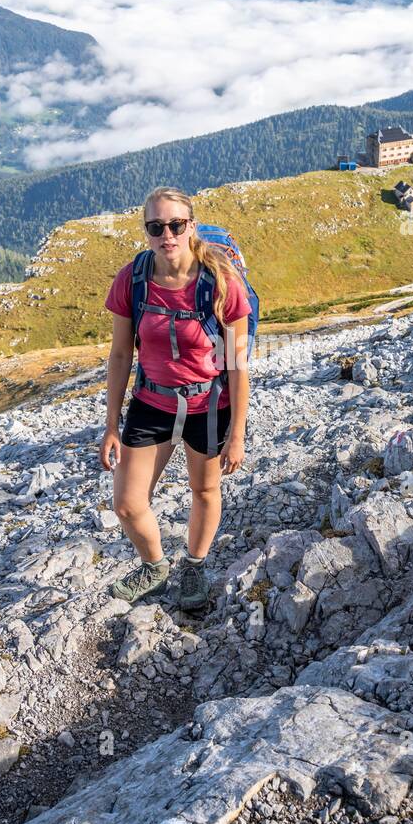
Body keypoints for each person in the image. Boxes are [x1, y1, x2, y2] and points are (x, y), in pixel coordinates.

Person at [98, 186, 251, 610]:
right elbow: (119, 354)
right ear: (146, 232)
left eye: (176, 225)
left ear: (191, 227)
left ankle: (194, 566)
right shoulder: (133, 280)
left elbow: (237, 366)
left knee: (204, 490)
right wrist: (111, 425)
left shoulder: (220, 283)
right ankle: (155, 566)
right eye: (156, 226)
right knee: (128, 504)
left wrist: (237, 434)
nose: (166, 234)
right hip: (151, 400)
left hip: (207, 404)